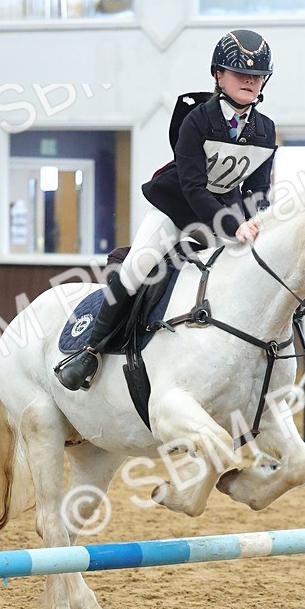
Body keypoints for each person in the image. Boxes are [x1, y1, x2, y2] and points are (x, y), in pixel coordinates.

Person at [55, 28, 277, 391]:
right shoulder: (197, 120)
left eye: (257, 76)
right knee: (138, 267)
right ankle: (90, 351)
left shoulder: (264, 130)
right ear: (219, 76)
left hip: (224, 216)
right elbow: (192, 187)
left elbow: (258, 191)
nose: (250, 82)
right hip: (176, 209)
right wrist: (234, 224)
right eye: (240, 74)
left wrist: (257, 222)